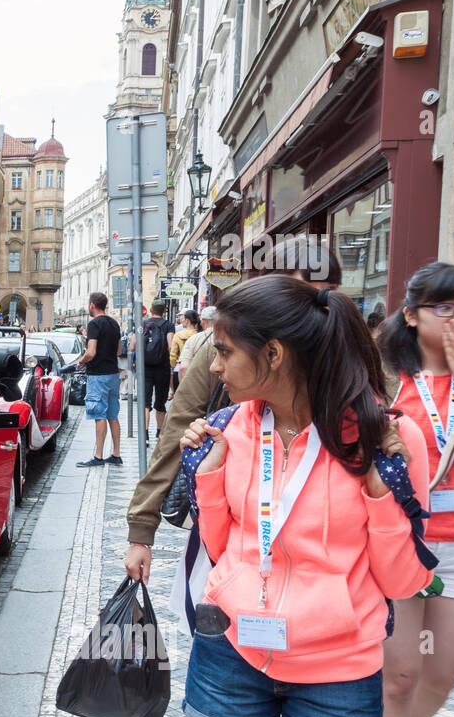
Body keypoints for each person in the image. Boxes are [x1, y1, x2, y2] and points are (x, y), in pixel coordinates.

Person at [178, 276, 432, 717]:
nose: (214, 367)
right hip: (233, 652)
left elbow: (404, 583)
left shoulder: (382, 438)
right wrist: (210, 474)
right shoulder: (229, 428)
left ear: (272, 353)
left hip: (336, 670)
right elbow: (225, 552)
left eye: (223, 350)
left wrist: (380, 492)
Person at [124, 237, 343, 583]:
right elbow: (179, 428)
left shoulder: (346, 360)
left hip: (320, 548)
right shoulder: (221, 354)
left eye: (328, 294)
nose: (320, 309)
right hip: (232, 530)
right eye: (306, 295)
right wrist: (142, 530)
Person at [371, 262, 454, 717]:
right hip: (399, 544)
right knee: (400, 677)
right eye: (446, 306)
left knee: (438, 677)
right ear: (410, 315)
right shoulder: (385, 378)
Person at [75, 291, 123, 467]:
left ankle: (98, 456)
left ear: (92, 305)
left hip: (98, 375)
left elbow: (91, 352)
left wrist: (81, 362)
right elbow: (119, 351)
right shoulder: (114, 324)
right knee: (112, 414)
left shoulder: (94, 324)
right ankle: (116, 454)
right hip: (113, 374)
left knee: (99, 414)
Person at [141, 300, 176, 436]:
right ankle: (159, 433)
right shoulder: (168, 325)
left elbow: (132, 346)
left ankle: (145, 435)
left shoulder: (143, 324)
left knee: (145, 403)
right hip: (162, 367)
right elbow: (170, 346)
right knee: (160, 402)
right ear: (165, 311)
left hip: (145, 368)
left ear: (150, 310)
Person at [178, 305, 216, 377]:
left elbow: (183, 368)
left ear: (202, 321)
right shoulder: (229, 339)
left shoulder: (193, 339)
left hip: (198, 382)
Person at [169, 309, 202, 392]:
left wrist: (173, 366)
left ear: (187, 321)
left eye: (182, 318)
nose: (181, 320)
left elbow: (173, 355)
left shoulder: (178, 335)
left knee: (179, 397)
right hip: (197, 369)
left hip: (179, 368)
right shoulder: (200, 335)